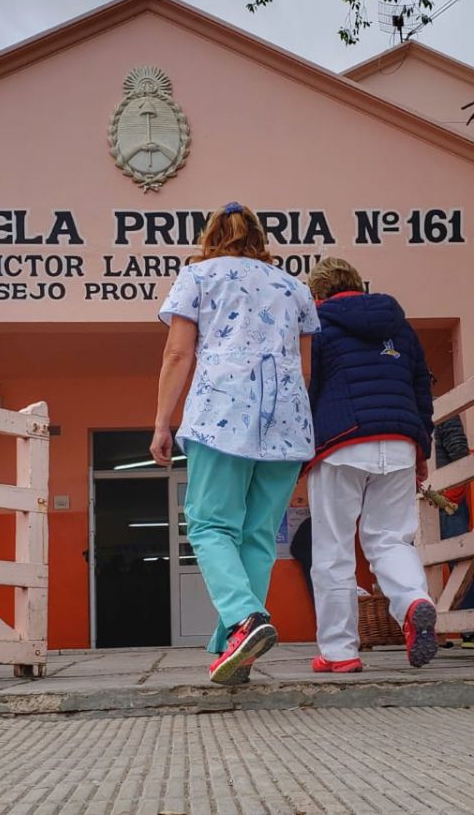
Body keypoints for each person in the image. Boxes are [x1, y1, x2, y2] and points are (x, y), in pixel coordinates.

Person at [151, 202, 320, 685]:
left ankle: (245, 619)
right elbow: (305, 369)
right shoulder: (295, 287)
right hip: (287, 418)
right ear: (259, 238)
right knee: (258, 534)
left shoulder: (198, 276)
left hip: (221, 412)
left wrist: (162, 422)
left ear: (210, 237)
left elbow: (178, 353)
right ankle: (237, 646)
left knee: (208, 525)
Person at [304, 257, 438, 674]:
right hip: (399, 440)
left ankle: (339, 651)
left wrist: (298, 449)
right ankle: (415, 601)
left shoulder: (317, 326)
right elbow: (422, 388)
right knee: (391, 539)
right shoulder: (401, 326)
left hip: (340, 442)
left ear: (317, 294)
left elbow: (307, 386)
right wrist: (421, 448)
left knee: (333, 548)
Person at [433, 415, 474, 649]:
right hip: (445, 498)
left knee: (425, 563)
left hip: (434, 498)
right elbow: (459, 453)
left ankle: (428, 632)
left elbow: (459, 453)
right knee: (459, 562)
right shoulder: (443, 411)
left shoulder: (428, 412)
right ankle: (470, 630)